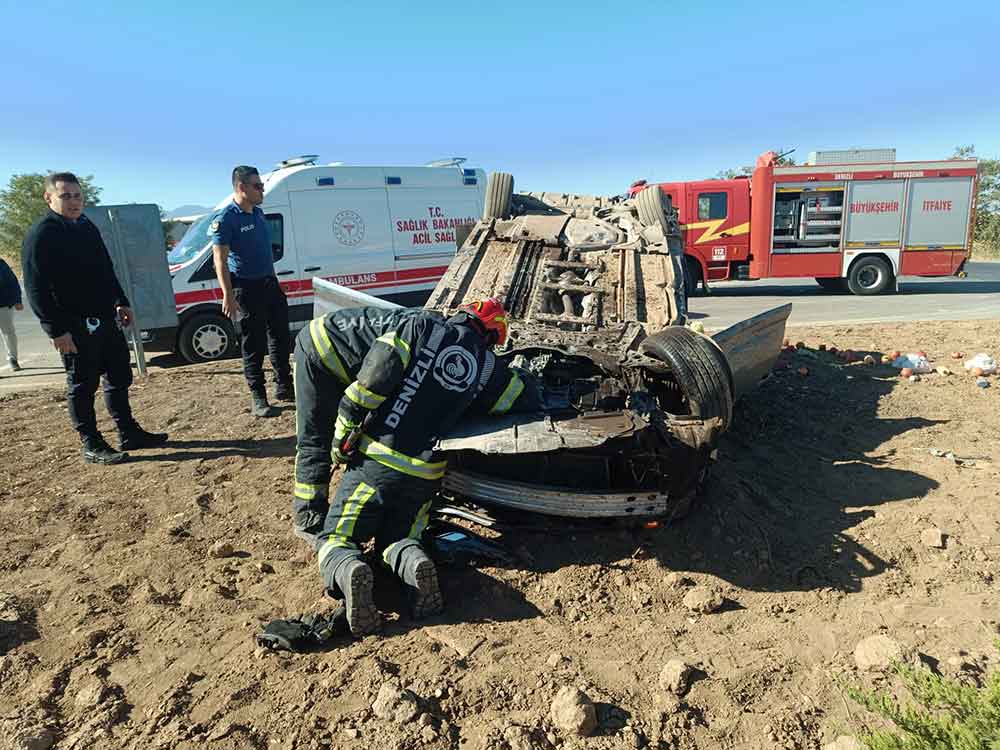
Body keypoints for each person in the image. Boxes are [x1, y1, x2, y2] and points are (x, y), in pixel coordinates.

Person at [314, 299, 514, 636]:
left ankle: (348, 569)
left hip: (374, 464)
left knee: (337, 537)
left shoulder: (422, 326)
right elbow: (514, 399)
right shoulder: (489, 368)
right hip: (425, 475)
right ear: (492, 334)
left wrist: (342, 436)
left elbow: (373, 377)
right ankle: (413, 561)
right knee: (402, 536)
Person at [22, 172, 168, 464]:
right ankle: (91, 442)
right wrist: (56, 330)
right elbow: (35, 287)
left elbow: (105, 267)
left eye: (77, 196)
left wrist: (121, 301)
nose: (74, 202)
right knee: (83, 383)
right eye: (65, 196)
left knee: (118, 375)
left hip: (104, 316)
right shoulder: (42, 234)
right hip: (73, 324)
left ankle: (128, 432)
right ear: (49, 198)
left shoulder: (86, 225)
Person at [209, 166, 292, 418]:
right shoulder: (226, 219)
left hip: (269, 283)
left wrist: (274, 281)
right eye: (257, 186)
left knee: (279, 336)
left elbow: (265, 253)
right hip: (246, 288)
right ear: (241, 187)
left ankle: (284, 386)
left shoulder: (258, 213)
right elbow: (219, 261)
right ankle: (258, 396)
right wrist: (228, 295)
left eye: (262, 185)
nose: (262, 190)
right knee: (253, 344)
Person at [0, 256, 22, 372]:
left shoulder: (1, 264)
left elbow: (12, 281)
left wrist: (17, 300)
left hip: (3, 304)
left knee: (8, 333)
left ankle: (12, 359)